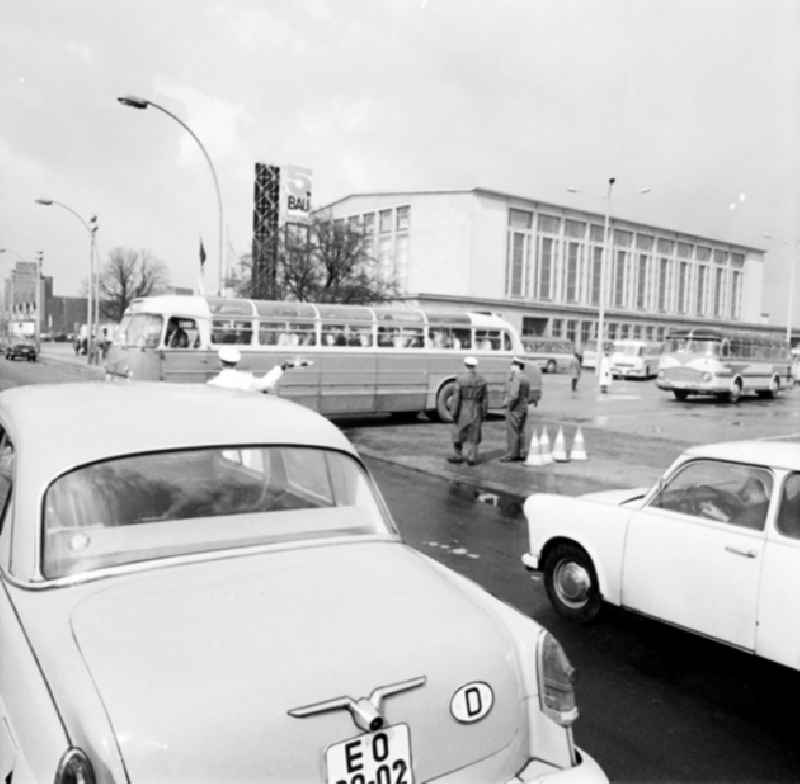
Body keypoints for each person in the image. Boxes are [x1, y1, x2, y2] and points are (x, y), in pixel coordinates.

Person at [448, 356, 488, 466]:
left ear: (466, 365)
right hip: (476, 408)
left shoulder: (460, 379)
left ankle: (458, 455)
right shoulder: (482, 380)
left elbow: (456, 398)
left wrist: (453, 413)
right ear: (475, 366)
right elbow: (485, 399)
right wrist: (484, 413)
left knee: (458, 432)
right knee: (474, 435)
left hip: (463, 408)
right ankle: (472, 457)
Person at [207, 346, 285, 393]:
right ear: (236, 362)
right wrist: (280, 369)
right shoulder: (246, 379)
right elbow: (265, 383)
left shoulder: (213, 383)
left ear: (220, 363)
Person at [500, 356, 530, 462]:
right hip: (523, 408)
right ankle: (521, 453)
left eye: (512, 365)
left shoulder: (517, 377)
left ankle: (511, 455)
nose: (511, 367)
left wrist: (509, 405)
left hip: (515, 408)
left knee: (512, 431)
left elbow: (514, 395)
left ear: (516, 366)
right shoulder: (525, 377)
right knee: (520, 431)